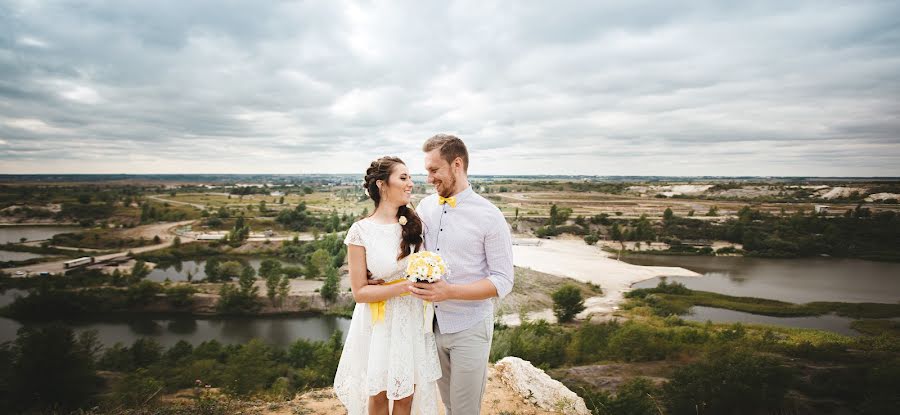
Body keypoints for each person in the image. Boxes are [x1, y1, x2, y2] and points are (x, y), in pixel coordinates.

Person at [408, 134, 514, 415]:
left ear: (457, 164)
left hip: (470, 327)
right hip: (431, 325)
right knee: (450, 405)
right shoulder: (425, 207)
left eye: (434, 170)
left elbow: (503, 280)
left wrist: (450, 292)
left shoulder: (490, 216)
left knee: (465, 410)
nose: (429, 179)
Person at [334, 156, 441, 415]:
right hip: (377, 323)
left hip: (411, 319)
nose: (410, 184)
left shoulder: (415, 225)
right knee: (379, 395)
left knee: (406, 395)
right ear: (382, 184)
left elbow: (426, 265)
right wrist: (404, 286)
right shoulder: (360, 231)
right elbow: (360, 292)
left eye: (410, 178)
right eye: (403, 178)